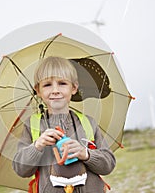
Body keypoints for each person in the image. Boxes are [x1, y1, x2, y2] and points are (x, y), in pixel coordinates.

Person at [12, 56, 116, 193]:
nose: (55, 90)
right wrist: (37, 145)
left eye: (62, 83)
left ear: (74, 88)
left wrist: (85, 154)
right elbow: (21, 169)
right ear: (38, 91)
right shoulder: (32, 126)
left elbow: (108, 165)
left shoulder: (87, 123)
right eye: (47, 85)